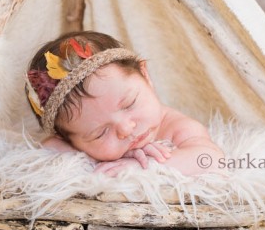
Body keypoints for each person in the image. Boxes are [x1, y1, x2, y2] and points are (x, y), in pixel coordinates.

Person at [25, 31, 225, 176]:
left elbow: (212, 160)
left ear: (145, 76)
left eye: (129, 104)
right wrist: (104, 159)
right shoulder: (74, 146)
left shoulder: (176, 127)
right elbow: (49, 147)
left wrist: (145, 166)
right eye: (100, 133)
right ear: (70, 140)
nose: (125, 129)